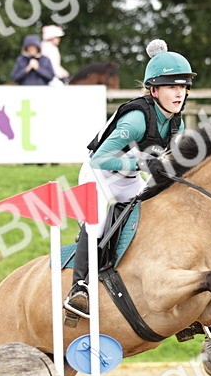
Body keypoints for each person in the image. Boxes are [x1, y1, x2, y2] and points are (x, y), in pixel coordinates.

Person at [63, 39, 193, 318]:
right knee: (96, 224)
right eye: (172, 86)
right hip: (100, 174)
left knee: (158, 210)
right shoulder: (136, 118)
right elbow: (99, 159)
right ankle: (79, 289)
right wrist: (141, 161)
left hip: (130, 177)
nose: (179, 93)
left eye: (182, 87)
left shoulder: (176, 121)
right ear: (154, 90)